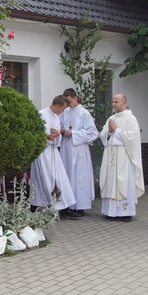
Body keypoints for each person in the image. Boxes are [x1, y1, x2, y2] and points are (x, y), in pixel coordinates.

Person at [99, 93, 144, 222]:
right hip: (110, 155)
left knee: (123, 182)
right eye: (113, 102)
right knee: (110, 180)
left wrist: (117, 130)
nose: (113, 104)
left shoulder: (131, 118)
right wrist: (108, 131)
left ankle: (126, 212)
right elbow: (103, 135)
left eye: (116, 102)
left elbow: (132, 137)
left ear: (123, 103)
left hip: (123, 156)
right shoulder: (111, 118)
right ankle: (110, 212)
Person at [29, 95, 77, 215]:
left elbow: (57, 136)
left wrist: (57, 135)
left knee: (59, 179)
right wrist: (46, 137)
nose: (63, 111)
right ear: (57, 106)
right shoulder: (41, 115)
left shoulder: (56, 117)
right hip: (42, 153)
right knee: (44, 179)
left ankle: (62, 206)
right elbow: (35, 133)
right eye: (63, 109)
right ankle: (37, 206)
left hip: (52, 152)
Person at [59, 88, 99, 217]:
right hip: (66, 148)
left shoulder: (84, 113)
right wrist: (61, 131)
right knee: (67, 174)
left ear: (75, 97)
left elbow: (93, 133)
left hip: (79, 149)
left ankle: (79, 205)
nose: (67, 104)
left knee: (78, 176)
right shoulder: (65, 112)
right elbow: (60, 125)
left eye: (69, 100)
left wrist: (74, 133)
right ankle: (67, 205)